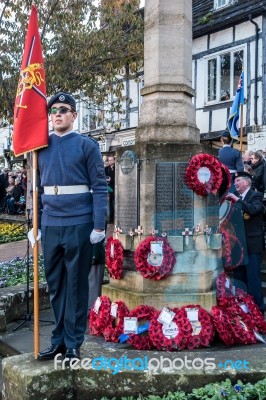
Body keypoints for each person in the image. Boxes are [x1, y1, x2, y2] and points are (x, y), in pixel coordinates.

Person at [36, 92, 107, 361]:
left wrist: (99, 225)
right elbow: (36, 187)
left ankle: (74, 342)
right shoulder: (40, 147)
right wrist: (36, 221)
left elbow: (100, 187)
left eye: (63, 109)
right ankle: (58, 340)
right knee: (55, 285)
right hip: (51, 223)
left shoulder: (86, 145)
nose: (57, 114)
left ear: (74, 115)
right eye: (53, 110)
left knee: (77, 284)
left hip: (79, 221)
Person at [226, 171, 265, 315]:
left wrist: (238, 200)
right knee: (239, 278)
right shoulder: (236, 198)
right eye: (235, 182)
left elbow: (253, 210)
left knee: (253, 278)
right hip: (238, 244)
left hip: (252, 244)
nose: (236, 184)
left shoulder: (256, 195)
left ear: (247, 182)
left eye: (239, 181)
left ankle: (258, 309)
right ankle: (243, 308)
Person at [105, 154, 115, 224]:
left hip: (115, 188)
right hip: (108, 189)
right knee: (110, 205)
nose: (110, 161)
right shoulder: (106, 169)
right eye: (109, 160)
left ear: (114, 160)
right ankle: (110, 219)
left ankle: (115, 219)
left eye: (111, 160)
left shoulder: (117, 168)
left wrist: (111, 179)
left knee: (115, 204)